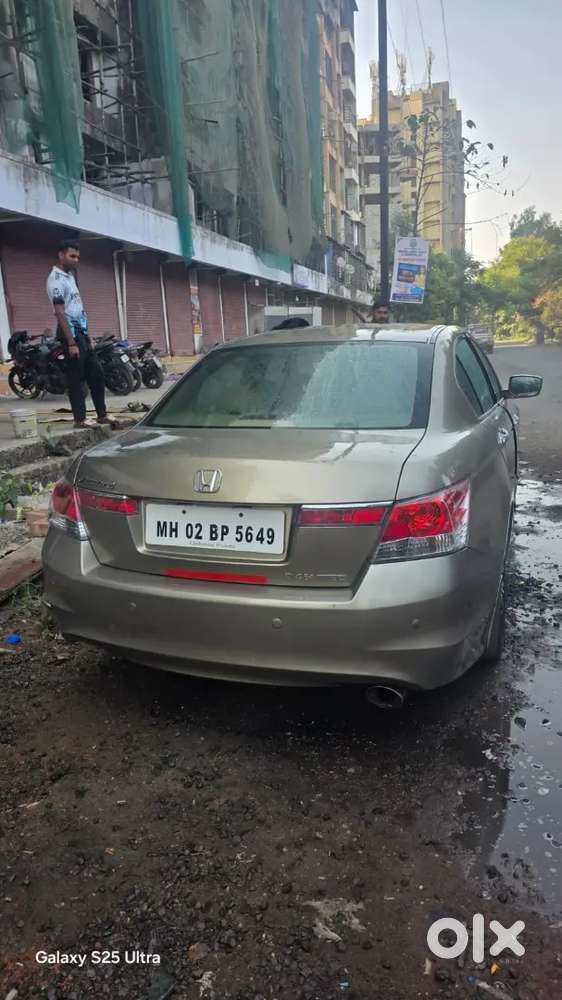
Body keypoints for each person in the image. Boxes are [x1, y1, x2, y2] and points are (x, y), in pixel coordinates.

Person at [46, 239, 109, 429]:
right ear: (61, 255)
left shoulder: (70, 277)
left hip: (82, 333)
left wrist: (86, 335)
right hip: (70, 335)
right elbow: (59, 312)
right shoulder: (55, 280)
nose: (76, 260)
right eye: (72, 256)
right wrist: (72, 343)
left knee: (96, 374)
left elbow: (76, 307)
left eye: (78, 257)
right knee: (75, 378)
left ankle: (102, 415)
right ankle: (80, 420)